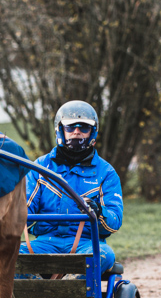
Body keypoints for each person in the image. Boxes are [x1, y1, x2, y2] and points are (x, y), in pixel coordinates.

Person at [21, 100, 123, 271]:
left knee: (105, 255)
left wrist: (98, 212)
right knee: (7, 254)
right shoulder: (39, 167)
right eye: (70, 127)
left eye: (83, 127)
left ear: (92, 133)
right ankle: (34, 294)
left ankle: (61, 294)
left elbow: (114, 221)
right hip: (45, 242)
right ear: (60, 130)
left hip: (87, 244)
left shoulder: (106, 173)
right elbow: (23, 212)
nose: (76, 132)